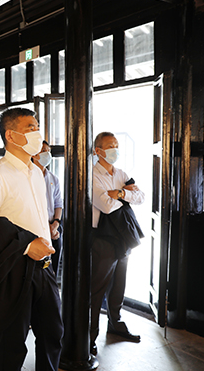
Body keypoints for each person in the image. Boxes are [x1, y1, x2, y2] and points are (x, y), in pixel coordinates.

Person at [0, 108, 63, 371]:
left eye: (37, 127)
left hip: (44, 267)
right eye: (31, 128)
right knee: (13, 343)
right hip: (15, 269)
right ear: (10, 135)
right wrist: (25, 247)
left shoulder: (36, 172)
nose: (37, 133)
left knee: (52, 333)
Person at [90, 132, 145, 356]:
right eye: (110, 146)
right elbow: (105, 205)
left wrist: (120, 193)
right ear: (98, 151)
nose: (115, 149)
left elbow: (141, 197)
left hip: (123, 235)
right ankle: (89, 335)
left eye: (116, 145)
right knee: (96, 288)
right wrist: (125, 197)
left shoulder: (121, 174)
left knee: (119, 284)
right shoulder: (92, 175)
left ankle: (116, 324)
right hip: (102, 237)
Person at [31, 141, 63, 277]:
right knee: (38, 267)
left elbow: (58, 204)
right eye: (43, 151)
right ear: (34, 154)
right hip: (36, 227)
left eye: (48, 151)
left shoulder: (53, 178)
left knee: (53, 265)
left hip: (53, 226)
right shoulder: (29, 176)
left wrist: (55, 224)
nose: (47, 154)